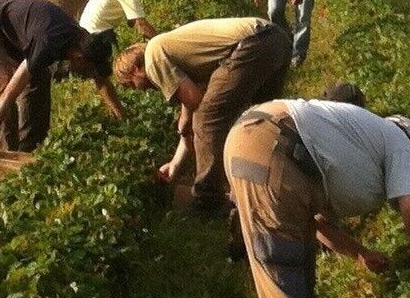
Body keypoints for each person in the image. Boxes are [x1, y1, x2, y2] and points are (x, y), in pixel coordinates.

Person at [223, 98, 410, 298]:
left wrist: (359, 253)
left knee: (295, 238)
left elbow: (317, 223)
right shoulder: (400, 143)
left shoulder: (358, 137)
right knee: (281, 253)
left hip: (254, 138)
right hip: (275, 143)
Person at [118, 16, 294, 209]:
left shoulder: (153, 58)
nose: (138, 90)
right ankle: (289, 168)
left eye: (131, 84)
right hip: (276, 39)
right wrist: (176, 163)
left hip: (252, 44)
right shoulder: (179, 55)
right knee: (262, 117)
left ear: (135, 69)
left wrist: (184, 121)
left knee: (206, 118)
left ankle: (207, 198)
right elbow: (193, 102)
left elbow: (195, 105)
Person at [0, 0, 123, 172]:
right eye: (86, 67)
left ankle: (30, 151)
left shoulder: (86, 42)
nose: (86, 73)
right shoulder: (48, 43)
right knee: (3, 81)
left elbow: (101, 80)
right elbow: (9, 92)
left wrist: (122, 116)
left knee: (39, 79)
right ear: (79, 57)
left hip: (20, 29)